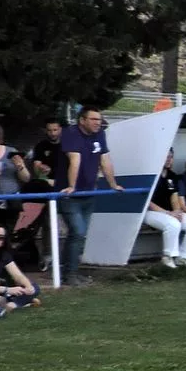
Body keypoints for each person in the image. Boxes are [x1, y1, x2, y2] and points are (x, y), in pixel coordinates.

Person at [59, 107, 124, 286]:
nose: (98, 123)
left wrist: (113, 184)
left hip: (89, 192)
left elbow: (105, 160)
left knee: (80, 234)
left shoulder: (100, 134)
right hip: (70, 195)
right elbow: (75, 160)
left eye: (99, 119)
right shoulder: (71, 133)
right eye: (93, 119)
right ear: (82, 120)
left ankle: (72, 271)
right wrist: (72, 186)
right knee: (77, 232)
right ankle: (69, 274)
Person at [143, 149, 186, 267]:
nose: (168, 160)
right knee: (173, 224)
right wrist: (167, 212)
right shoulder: (151, 174)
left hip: (169, 212)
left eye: (171, 157)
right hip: (150, 212)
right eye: (166, 157)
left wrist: (177, 211)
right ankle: (168, 256)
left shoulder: (172, 176)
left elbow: (174, 196)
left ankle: (185, 256)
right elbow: (147, 201)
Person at [30, 120, 64, 186]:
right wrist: (41, 168)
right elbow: (36, 167)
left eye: (55, 130)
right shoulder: (40, 146)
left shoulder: (68, 144)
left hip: (66, 181)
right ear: (45, 131)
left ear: (60, 129)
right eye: (49, 130)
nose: (52, 133)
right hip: (47, 181)